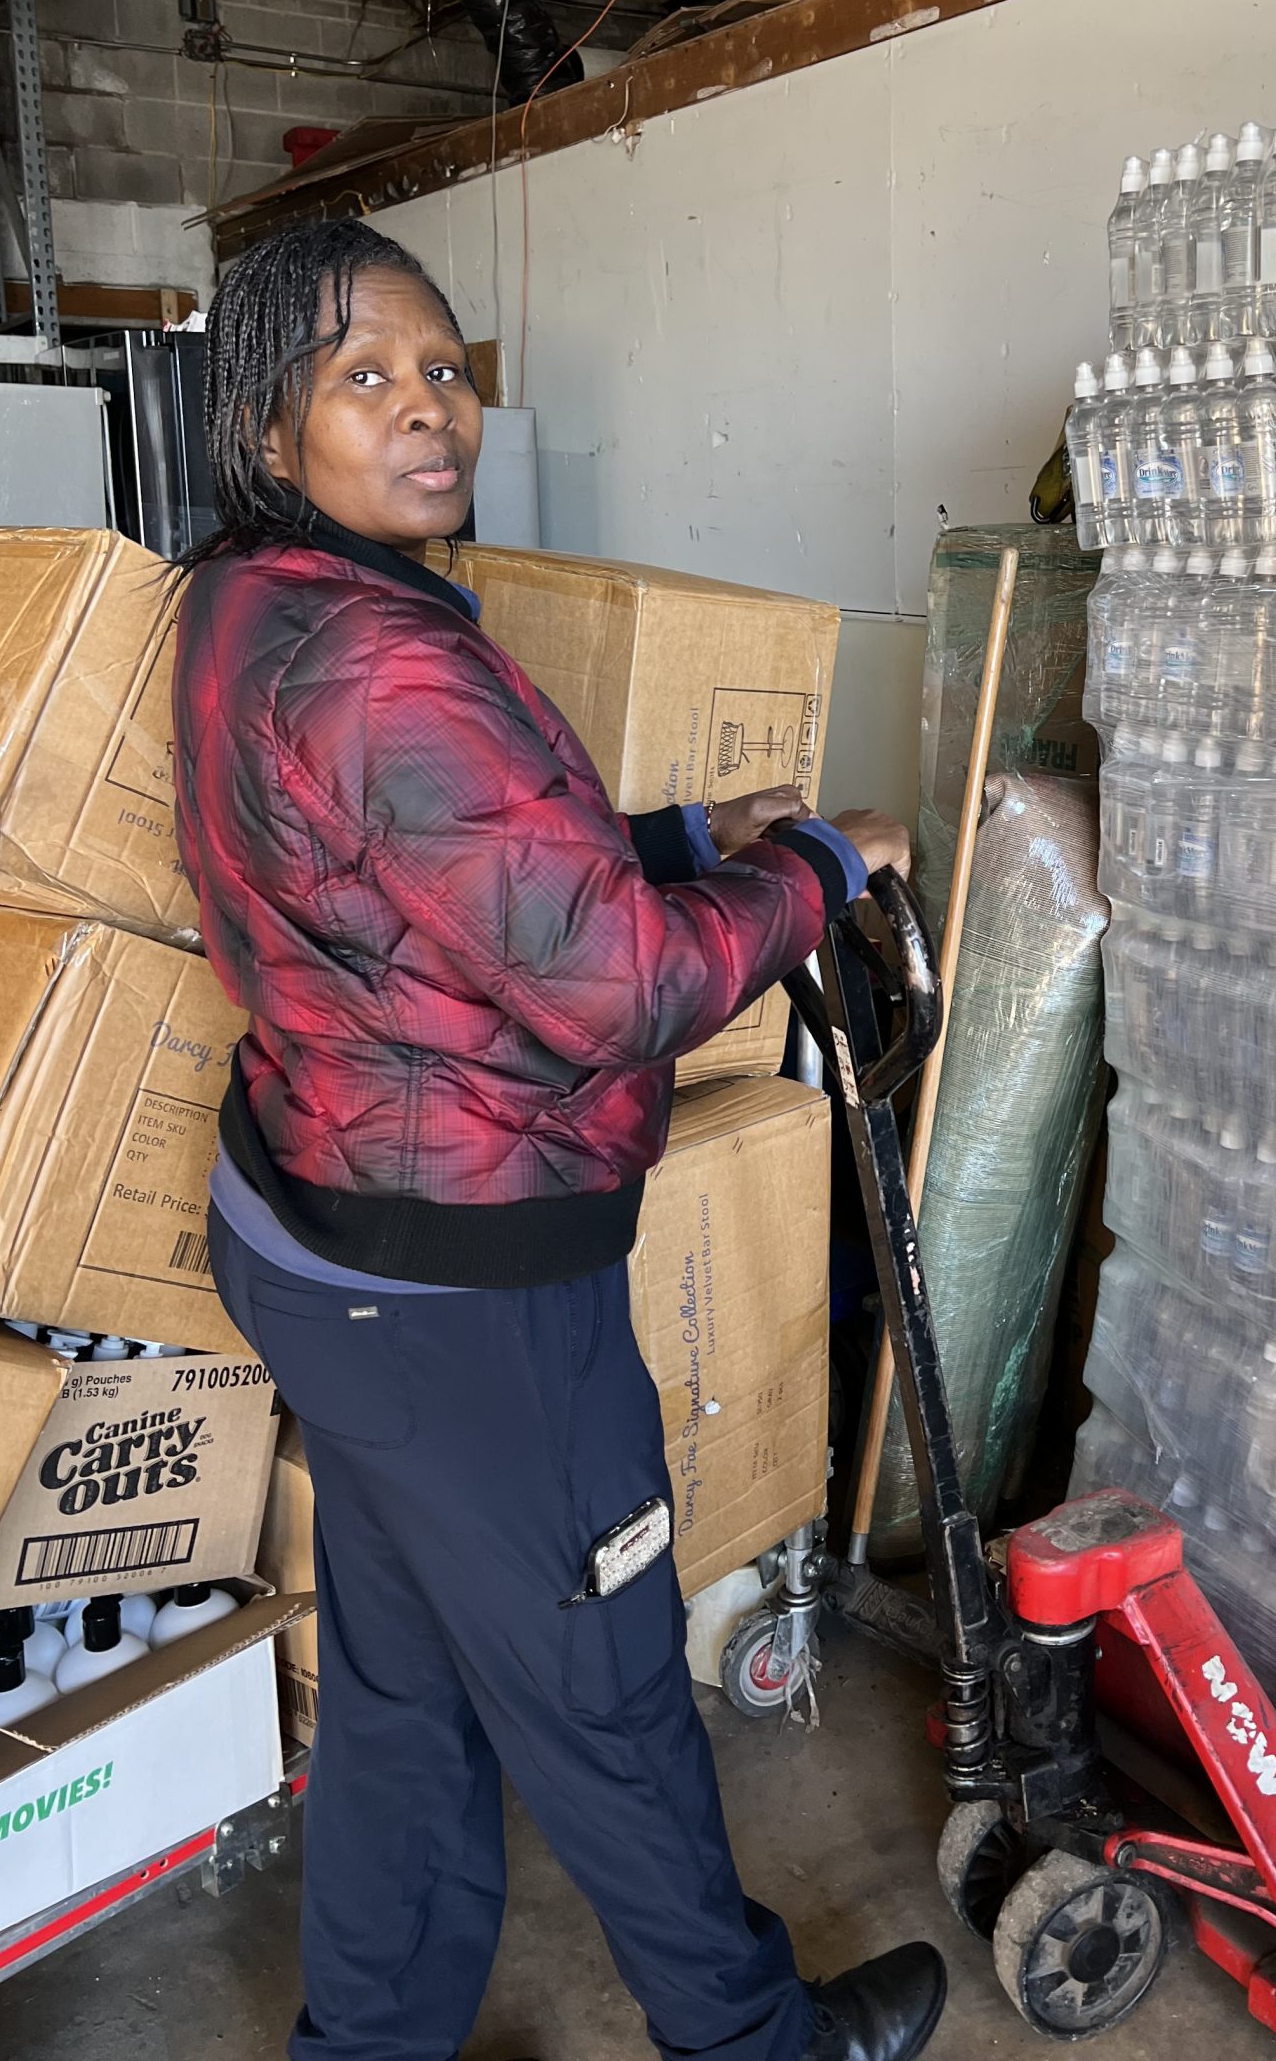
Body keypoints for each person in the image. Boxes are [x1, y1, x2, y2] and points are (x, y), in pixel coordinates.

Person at [172, 218, 946, 2061]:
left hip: (325, 1231)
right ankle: (754, 2043)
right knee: (599, 1682)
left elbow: (447, 866)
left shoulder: (262, 598)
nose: (430, 413)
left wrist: (691, 829)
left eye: (446, 369)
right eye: (367, 379)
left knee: (401, 1685)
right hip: (463, 1291)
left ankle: (365, 2046)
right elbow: (614, 991)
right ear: (275, 430)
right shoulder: (376, 659)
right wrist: (818, 863)